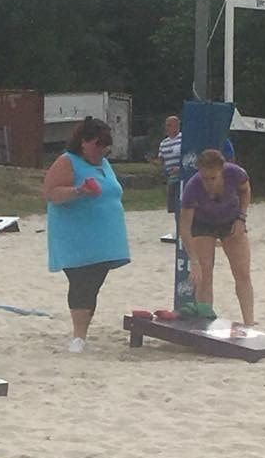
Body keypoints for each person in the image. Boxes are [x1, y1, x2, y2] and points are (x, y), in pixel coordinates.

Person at [43, 116, 130, 353]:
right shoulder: (67, 161)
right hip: (76, 237)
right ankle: (78, 336)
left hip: (104, 240)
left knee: (93, 284)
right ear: (83, 142)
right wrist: (79, 191)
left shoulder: (104, 164)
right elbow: (51, 193)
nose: (102, 150)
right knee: (82, 281)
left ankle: (82, 333)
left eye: (105, 146)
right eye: (97, 144)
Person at [179, 148, 254, 325]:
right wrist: (194, 261)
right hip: (203, 223)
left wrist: (242, 217)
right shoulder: (192, 188)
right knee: (204, 274)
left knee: (242, 273)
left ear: (222, 171)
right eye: (204, 178)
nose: (208, 183)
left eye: (213, 178)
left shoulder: (235, 173)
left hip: (231, 218)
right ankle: (205, 321)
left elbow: (245, 190)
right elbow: (184, 228)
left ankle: (249, 322)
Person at [148, 115, 181, 233]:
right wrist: (153, 162)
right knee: (175, 207)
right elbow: (161, 161)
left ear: (177, 126)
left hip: (182, 177)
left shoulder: (184, 139)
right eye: (166, 125)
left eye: (169, 125)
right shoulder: (163, 143)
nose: (166, 128)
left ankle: (182, 231)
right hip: (171, 178)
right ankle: (178, 230)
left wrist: (180, 168)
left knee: (182, 205)